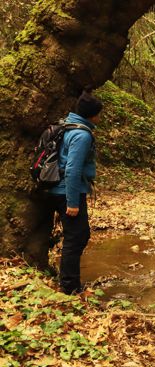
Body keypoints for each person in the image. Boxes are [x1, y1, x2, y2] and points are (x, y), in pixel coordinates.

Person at [26, 88, 102, 294]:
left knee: (77, 235)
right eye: (98, 114)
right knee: (76, 236)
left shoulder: (67, 126)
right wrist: (73, 202)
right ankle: (69, 286)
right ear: (91, 115)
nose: (99, 118)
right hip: (67, 192)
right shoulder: (81, 135)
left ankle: (69, 281)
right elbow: (72, 169)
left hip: (56, 188)